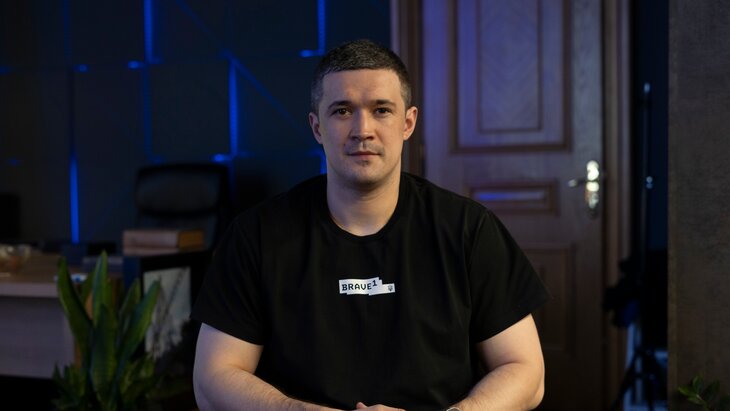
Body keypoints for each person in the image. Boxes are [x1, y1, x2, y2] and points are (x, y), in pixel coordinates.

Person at [191, 39, 549, 411]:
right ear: (317, 127)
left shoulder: (467, 230)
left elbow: (524, 370)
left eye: (381, 110)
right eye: (342, 111)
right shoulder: (256, 236)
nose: (362, 129)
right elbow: (213, 378)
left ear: (408, 122)